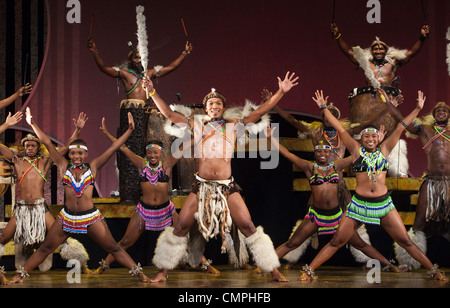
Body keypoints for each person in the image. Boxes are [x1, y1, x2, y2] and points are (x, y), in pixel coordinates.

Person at [143, 71, 299, 283]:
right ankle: (162, 271)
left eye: (218, 104)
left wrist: (281, 91)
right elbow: (169, 115)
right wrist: (151, 91)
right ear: (206, 108)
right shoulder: (195, 125)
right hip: (201, 186)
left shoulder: (233, 126)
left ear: (222, 108)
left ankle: (273, 269)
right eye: (210, 104)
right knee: (180, 227)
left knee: (248, 226)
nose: (214, 106)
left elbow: (261, 111)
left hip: (227, 186)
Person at [298, 90, 447, 281]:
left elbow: (402, 126)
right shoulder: (355, 150)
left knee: (405, 241)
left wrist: (417, 109)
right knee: (337, 240)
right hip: (359, 205)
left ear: (378, 139)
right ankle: (309, 271)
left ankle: (434, 271)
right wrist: (324, 109)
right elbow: (340, 128)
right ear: (362, 139)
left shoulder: (385, 149)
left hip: (383, 204)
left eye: (373, 137)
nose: (370, 139)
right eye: (366, 137)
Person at [5, 108, 151, 284]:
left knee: (113, 247)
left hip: (89, 217)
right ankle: (20, 275)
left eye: (80, 153)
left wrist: (129, 131)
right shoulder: (62, 165)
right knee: (46, 248)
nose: (76, 156)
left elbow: (113, 148)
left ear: (86, 154)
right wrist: (32, 123)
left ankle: (140, 274)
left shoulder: (93, 166)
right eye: (73, 153)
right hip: (67, 218)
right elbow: (47, 143)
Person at [90, 119, 219, 274]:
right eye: (149, 152)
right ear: (146, 153)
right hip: (144, 211)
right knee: (125, 241)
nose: (152, 155)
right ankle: (102, 267)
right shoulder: (141, 165)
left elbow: (183, 147)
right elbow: (122, 147)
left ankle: (207, 266)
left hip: (166, 211)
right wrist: (106, 133)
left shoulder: (167, 164)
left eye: (155, 152)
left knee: (184, 239)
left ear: (161, 153)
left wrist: (200, 134)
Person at [264, 128, 399, 272]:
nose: (322, 154)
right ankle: (265, 264)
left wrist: (378, 142)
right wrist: (271, 139)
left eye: (326, 151)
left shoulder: (337, 166)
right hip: (316, 215)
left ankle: (389, 265)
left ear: (330, 153)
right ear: (315, 153)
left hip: (336, 215)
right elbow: (288, 154)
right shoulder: (309, 167)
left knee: (360, 244)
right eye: (319, 151)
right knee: (292, 243)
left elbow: (362, 152)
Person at [0, 112, 90, 285]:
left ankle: (82, 264)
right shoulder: (17, 161)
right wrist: (6, 124)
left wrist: (77, 130)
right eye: (28, 146)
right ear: (24, 148)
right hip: (22, 209)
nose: (30, 148)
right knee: (4, 238)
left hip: (41, 208)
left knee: (62, 236)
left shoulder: (45, 162)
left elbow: (66, 148)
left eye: (34, 145)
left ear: (38, 148)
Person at [385, 100, 450, 269]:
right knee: (419, 222)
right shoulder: (425, 130)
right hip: (431, 183)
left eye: (445, 110)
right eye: (438, 110)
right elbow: (403, 121)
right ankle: (410, 262)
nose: (441, 112)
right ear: (434, 115)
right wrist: (389, 103)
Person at [330, 23, 429, 88]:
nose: (378, 51)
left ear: (385, 51)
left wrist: (422, 37)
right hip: (371, 94)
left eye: (381, 49)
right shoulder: (366, 62)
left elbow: (411, 53)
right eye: (376, 49)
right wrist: (338, 35)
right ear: (372, 52)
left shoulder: (392, 62)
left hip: (389, 96)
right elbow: (348, 51)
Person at [87, 39, 193, 101]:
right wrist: (95, 51)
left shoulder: (149, 73)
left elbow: (171, 67)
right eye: (135, 58)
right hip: (131, 113)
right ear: (130, 60)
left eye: (141, 58)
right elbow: (103, 68)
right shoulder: (124, 74)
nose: (138, 60)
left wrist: (185, 53)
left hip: (147, 112)